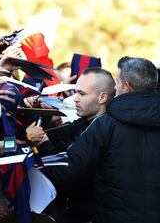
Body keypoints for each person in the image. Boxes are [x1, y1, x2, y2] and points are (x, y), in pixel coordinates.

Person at [43, 56, 160, 223]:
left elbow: (68, 171)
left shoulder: (106, 124)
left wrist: (43, 148)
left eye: (118, 82)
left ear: (127, 87)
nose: (115, 87)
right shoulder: (106, 122)